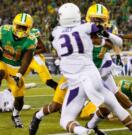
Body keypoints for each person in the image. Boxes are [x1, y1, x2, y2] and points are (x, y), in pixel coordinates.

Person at [51, 3, 132, 135]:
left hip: (99, 69)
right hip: (89, 70)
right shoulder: (82, 28)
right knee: (110, 104)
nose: (98, 22)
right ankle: (90, 124)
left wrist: (114, 50)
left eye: (101, 19)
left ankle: (88, 126)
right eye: (95, 19)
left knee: (114, 98)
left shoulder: (104, 28)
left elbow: (114, 43)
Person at [0, 13, 36, 128]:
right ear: (14, 25)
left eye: (24, 27)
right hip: (2, 61)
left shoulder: (31, 40)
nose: (21, 29)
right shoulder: (4, 30)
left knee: (19, 99)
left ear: (29, 28)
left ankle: (15, 115)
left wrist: (19, 74)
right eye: (19, 26)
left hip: (16, 68)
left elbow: (26, 62)